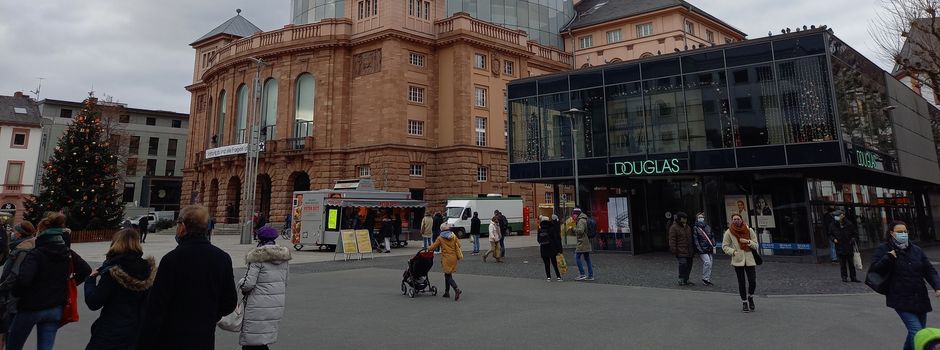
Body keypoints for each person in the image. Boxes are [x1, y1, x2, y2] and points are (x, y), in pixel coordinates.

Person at [137, 205, 237, 350]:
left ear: (183, 226)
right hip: (204, 338)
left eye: (178, 223)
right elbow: (229, 302)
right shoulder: (223, 258)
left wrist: (143, 343)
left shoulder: (171, 259)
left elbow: (156, 308)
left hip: (171, 338)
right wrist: (209, 315)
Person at [7, 213, 91, 350]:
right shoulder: (67, 252)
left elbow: (24, 280)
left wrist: (16, 294)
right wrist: (67, 285)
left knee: (14, 345)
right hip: (55, 307)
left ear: (41, 233)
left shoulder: (36, 253)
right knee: (46, 347)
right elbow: (85, 270)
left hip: (30, 307)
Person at [871, 220, 940, 350]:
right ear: (891, 233)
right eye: (899, 232)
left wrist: (937, 286)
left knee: (918, 331)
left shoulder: (916, 250)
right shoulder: (884, 249)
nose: (903, 234)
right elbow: (875, 269)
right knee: (917, 332)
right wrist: (888, 257)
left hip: (920, 297)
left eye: (905, 231)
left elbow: (928, 269)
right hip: (900, 297)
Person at [84, 228, 156, 349]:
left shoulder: (112, 271)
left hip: (109, 331)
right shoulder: (147, 270)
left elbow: (94, 302)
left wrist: (90, 280)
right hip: (134, 331)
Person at [239, 226, 291, 350]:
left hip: (258, 302)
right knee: (263, 338)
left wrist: (241, 283)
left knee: (252, 340)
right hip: (276, 302)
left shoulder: (258, 256)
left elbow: (248, 284)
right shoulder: (283, 257)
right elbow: (285, 281)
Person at [0, 221, 36, 349]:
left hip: (10, 294)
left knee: (6, 327)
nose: (13, 233)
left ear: (20, 234)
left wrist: (2, 286)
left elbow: (14, 274)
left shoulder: (22, 249)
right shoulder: (27, 245)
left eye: (16, 231)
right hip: (17, 293)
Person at [722, 214, 759, 313]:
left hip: (750, 259)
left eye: (738, 219)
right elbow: (724, 246)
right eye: (734, 219)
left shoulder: (749, 230)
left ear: (741, 220)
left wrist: (747, 241)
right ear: (732, 221)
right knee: (741, 282)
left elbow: (756, 245)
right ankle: (744, 302)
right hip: (738, 260)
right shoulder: (729, 232)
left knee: (752, 281)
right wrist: (733, 252)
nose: (736, 220)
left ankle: (750, 296)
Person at [427, 224, 462, 301]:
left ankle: (456, 289)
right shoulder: (453, 236)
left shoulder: (440, 238)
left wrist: (428, 248)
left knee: (447, 276)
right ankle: (447, 292)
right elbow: (459, 245)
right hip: (454, 257)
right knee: (448, 274)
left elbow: (434, 247)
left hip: (446, 258)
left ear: (441, 230)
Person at [828, 209, 860, 283]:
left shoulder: (849, 224)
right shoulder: (832, 225)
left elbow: (855, 234)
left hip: (848, 246)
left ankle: (853, 277)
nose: (836, 217)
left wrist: (853, 239)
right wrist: (833, 239)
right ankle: (844, 277)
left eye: (837, 215)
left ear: (842, 216)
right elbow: (830, 234)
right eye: (835, 216)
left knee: (851, 264)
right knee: (842, 264)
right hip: (839, 246)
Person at [669, 212, 695, 286]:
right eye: (684, 218)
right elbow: (672, 240)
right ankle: (681, 278)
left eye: (686, 218)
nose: (685, 220)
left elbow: (690, 239)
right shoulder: (674, 227)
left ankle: (686, 279)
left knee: (689, 265)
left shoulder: (688, 227)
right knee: (683, 263)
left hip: (689, 250)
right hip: (680, 250)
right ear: (679, 218)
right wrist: (674, 250)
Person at [692, 212, 716, 286]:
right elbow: (696, 239)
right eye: (699, 217)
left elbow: (712, 236)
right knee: (707, 262)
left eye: (701, 217)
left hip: (709, 248)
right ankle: (704, 278)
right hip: (702, 248)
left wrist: (714, 244)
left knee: (710, 264)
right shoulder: (695, 228)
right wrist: (699, 249)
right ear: (697, 219)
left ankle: (707, 279)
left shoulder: (707, 226)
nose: (701, 218)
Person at [537, 216, 562, 281]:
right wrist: (559, 249)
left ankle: (548, 277)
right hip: (552, 248)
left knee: (546, 264)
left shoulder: (540, 229)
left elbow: (538, 240)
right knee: (554, 263)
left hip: (543, 249)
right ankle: (558, 276)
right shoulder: (552, 228)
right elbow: (556, 239)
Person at [573, 208, 594, 281]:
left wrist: (575, 229)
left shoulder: (581, 220)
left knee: (577, 257)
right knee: (587, 259)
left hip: (582, 242)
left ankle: (582, 274)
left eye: (574, 214)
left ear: (577, 214)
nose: (573, 216)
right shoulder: (584, 219)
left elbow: (581, 231)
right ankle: (591, 275)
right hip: (586, 242)